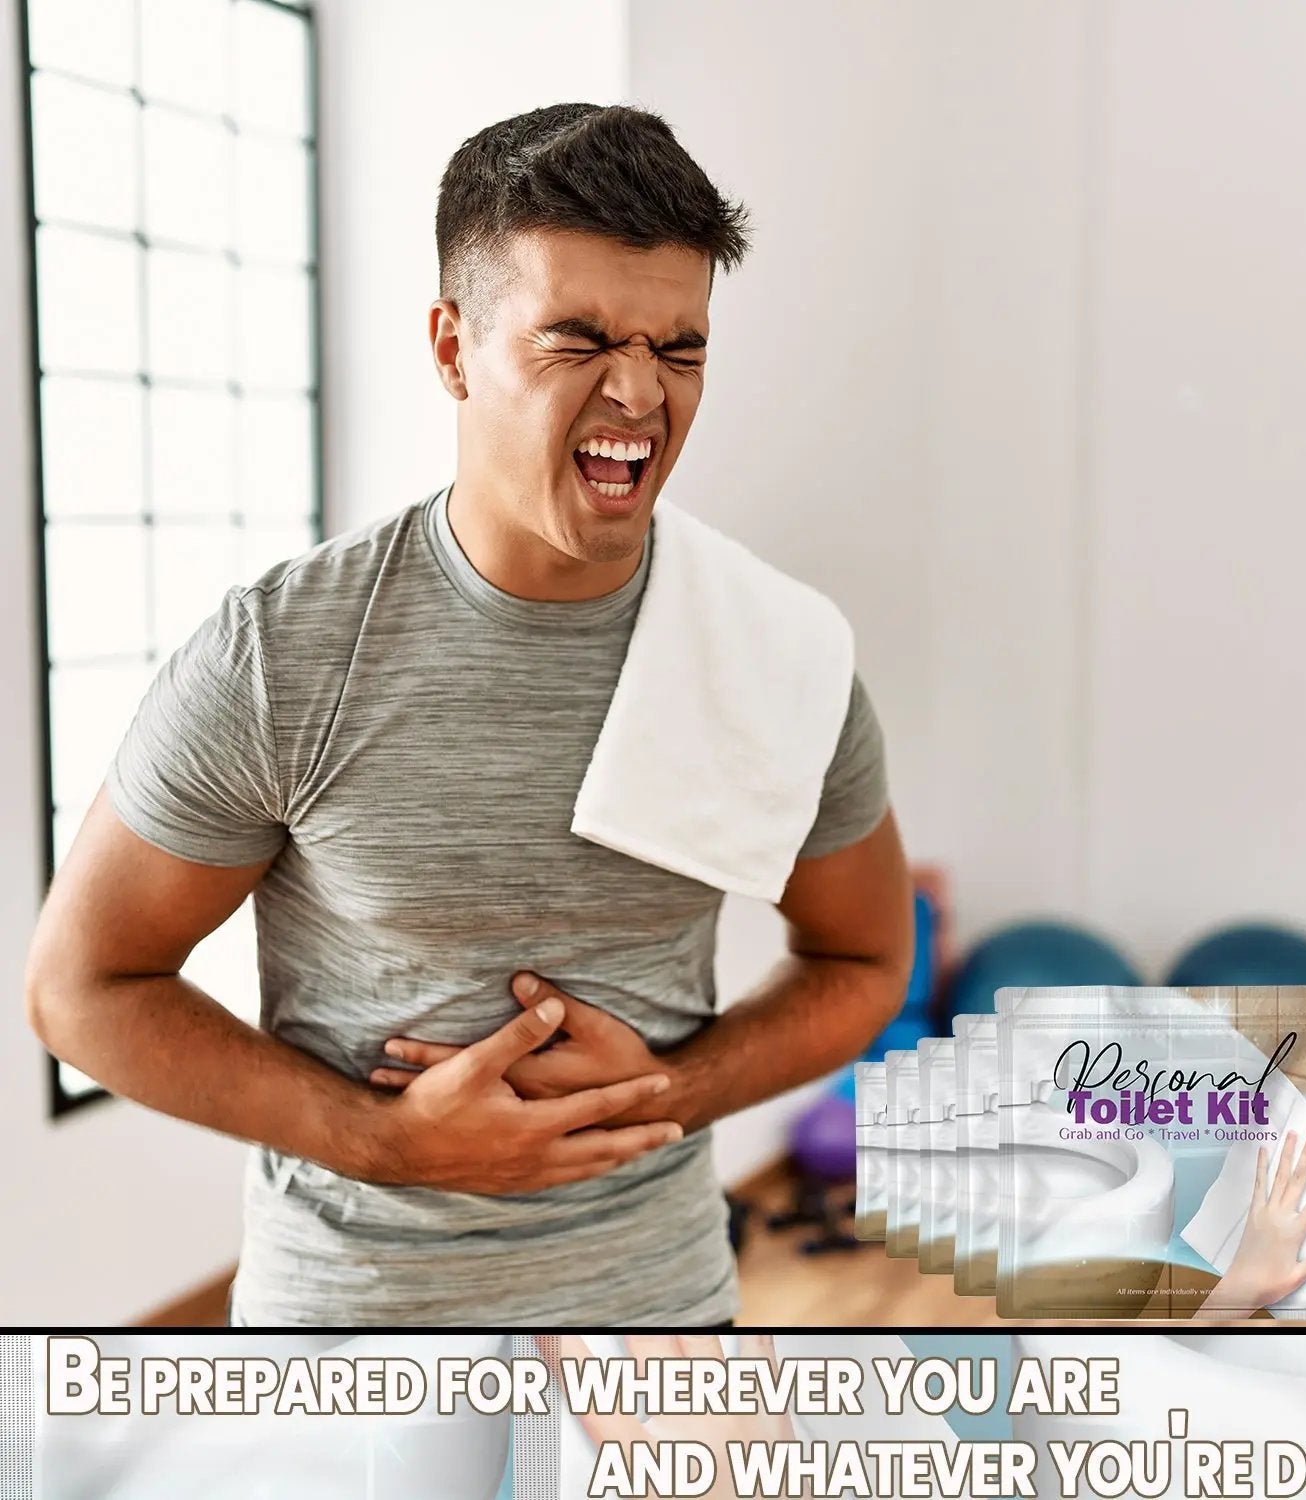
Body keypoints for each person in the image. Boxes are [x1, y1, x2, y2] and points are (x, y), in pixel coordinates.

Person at [24, 103, 914, 1327]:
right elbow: (83, 990)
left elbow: (866, 959)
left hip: (652, 1297)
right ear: (452, 346)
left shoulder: (780, 650)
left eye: (682, 347)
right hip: (352, 1312)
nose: (639, 393)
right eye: (580, 337)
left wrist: (670, 1088)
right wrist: (389, 1143)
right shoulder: (281, 655)